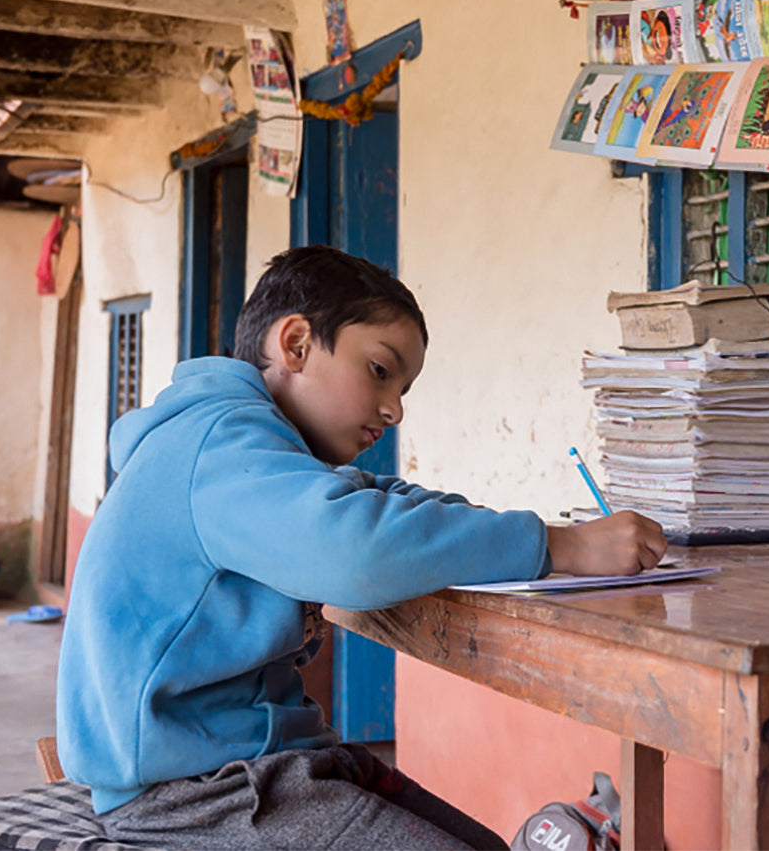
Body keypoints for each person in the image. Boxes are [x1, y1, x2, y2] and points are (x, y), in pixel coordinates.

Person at [56, 246, 666, 850]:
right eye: (380, 370)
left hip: (255, 767)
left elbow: (379, 497)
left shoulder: (260, 453)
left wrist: (499, 528)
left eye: (403, 388)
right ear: (295, 344)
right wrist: (560, 546)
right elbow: (356, 550)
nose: (394, 409)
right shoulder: (219, 442)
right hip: (196, 794)